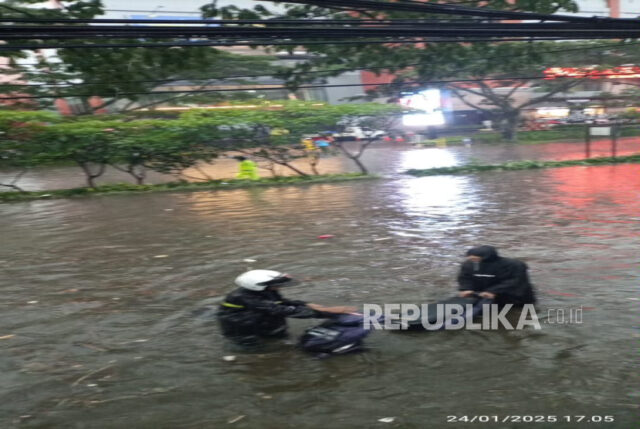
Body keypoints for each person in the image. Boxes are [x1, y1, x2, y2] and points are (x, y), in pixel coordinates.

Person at [218, 269, 356, 347]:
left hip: (261, 317)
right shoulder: (244, 297)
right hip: (241, 325)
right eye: (275, 285)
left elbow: (280, 302)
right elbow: (280, 310)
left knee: (278, 332)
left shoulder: (266, 290)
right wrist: (326, 312)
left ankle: (279, 341)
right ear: (257, 286)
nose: (278, 287)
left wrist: (305, 303)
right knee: (253, 347)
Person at [457, 245, 536, 306]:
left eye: (476, 259)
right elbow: (464, 277)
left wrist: (493, 291)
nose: (473, 261)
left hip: (514, 298)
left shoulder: (515, 265)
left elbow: (515, 282)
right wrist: (466, 289)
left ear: (486, 257)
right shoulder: (469, 264)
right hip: (486, 295)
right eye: (471, 259)